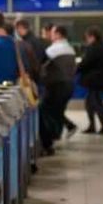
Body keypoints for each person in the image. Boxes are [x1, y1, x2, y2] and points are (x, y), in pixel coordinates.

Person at [39, 25, 77, 154]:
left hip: (56, 85)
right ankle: (59, 133)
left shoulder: (54, 49)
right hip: (69, 85)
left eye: (53, 33)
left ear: (59, 35)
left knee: (45, 110)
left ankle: (50, 139)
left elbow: (40, 61)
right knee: (57, 110)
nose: (51, 35)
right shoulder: (70, 49)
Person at [78, 27, 103, 135]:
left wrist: (77, 69)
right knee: (90, 102)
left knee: (95, 103)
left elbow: (85, 63)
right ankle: (93, 126)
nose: (86, 40)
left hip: (94, 80)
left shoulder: (92, 49)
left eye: (87, 37)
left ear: (92, 37)